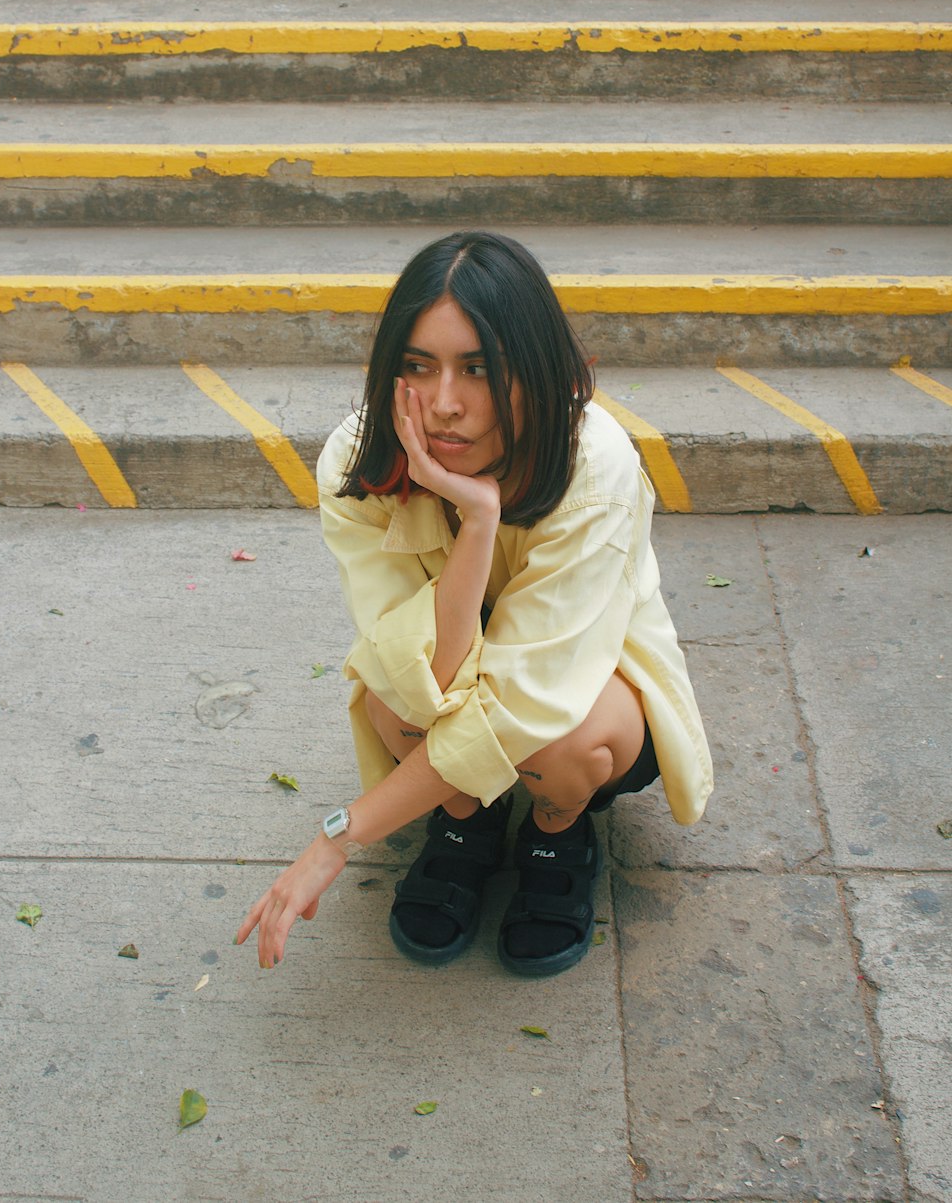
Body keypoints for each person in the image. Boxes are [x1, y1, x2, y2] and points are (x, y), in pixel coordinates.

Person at [237, 230, 712, 978]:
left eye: (480, 369)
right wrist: (476, 527)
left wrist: (340, 835)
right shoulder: (357, 463)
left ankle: (557, 829)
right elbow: (421, 675)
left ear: (534, 370)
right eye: (418, 367)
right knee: (394, 701)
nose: (446, 405)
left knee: (559, 747)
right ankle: (465, 820)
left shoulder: (595, 466)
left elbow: (524, 702)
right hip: (459, 682)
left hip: (585, 695)